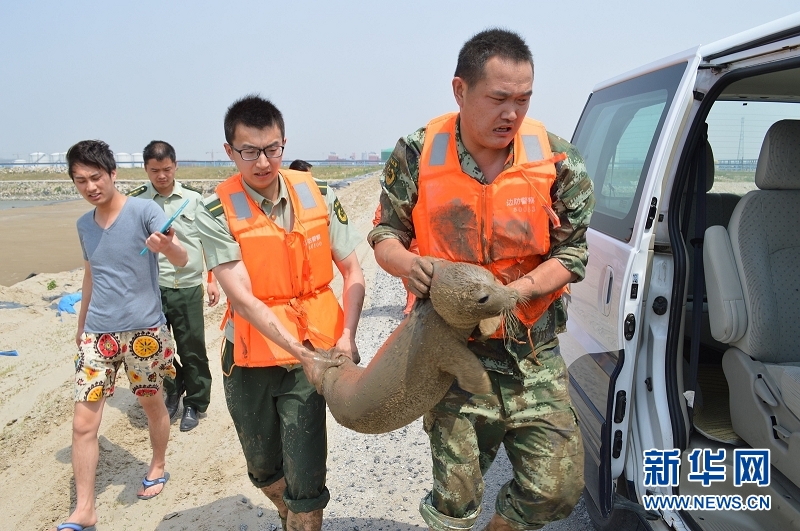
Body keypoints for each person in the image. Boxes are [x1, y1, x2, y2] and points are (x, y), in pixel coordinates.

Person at [369, 29, 594, 531]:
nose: (511, 113)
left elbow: (573, 253)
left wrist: (517, 293)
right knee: (456, 496)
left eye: (523, 99)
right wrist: (409, 265)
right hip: (449, 349)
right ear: (460, 91)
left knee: (557, 489)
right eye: (498, 98)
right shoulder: (416, 154)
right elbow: (385, 233)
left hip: (531, 351)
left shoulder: (557, 161)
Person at [195, 95, 365, 531]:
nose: (263, 162)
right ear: (230, 151)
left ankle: (302, 514)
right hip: (249, 358)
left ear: (284, 144)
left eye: (272, 148)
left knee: (306, 483)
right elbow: (246, 300)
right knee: (264, 470)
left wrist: (346, 336)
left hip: (311, 359)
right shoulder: (214, 210)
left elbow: (352, 270)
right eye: (249, 151)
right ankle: (286, 507)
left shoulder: (320, 194)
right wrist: (296, 348)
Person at [53, 140, 188, 531]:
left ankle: (158, 464)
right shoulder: (83, 225)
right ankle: (84, 509)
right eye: (81, 181)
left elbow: (181, 256)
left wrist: (167, 247)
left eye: (96, 177)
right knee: (82, 423)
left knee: (152, 405)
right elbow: (91, 273)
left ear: (112, 174)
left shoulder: (144, 210)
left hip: (144, 332)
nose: (90, 186)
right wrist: (81, 326)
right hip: (98, 336)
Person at [128, 140, 219, 432]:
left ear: (175, 166)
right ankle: (173, 384)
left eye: (167, 169)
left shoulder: (193, 200)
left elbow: (208, 244)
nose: (162, 176)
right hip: (151, 289)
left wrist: (212, 279)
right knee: (153, 348)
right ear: (146, 169)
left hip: (187, 285)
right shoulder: (137, 202)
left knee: (192, 347)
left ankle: (195, 401)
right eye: (155, 170)